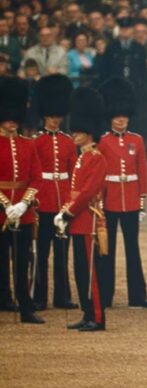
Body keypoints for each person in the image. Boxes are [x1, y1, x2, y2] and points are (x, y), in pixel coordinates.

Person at [97, 77, 147, 309]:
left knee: (133, 249)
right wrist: (99, 203)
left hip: (131, 201)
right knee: (106, 250)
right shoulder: (102, 141)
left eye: (124, 116)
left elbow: (142, 172)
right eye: (117, 116)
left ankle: (137, 296)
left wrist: (141, 204)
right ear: (111, 117)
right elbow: (100, 175)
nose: (121, 120)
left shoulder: (137, 140)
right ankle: (105, 295)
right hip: (109, 201)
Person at [56, 86, 108, 332]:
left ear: (89, 132)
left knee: (90, 273)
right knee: (80, 270)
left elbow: (88, 192)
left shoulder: (96, 158)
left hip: (88, 221)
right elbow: (73, 191)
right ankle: (86, 312)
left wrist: (68, 212)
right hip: (77, 219)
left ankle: (97, 317)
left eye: (78, 131)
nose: (74, 134)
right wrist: (64, 211)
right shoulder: (81, 157)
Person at [30, 74, 77, 310]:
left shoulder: (69, 142)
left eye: (58, 116)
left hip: (63, 202)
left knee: (62, 252)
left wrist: (70, 203)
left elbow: (73, 174)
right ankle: (39, 296)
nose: (55, 121)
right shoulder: (36, 141)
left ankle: (62, 296)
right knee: (42, 253)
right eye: (51, 116)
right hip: (44, 201)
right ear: (44, 115)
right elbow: (35, 175)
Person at [0, 77, 44, 323]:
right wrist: (6, 205)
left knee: (22, 261)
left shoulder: (28, 145)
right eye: (7, 117)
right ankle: (3, 299)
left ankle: (25, 306)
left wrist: (23, 204)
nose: (11, 122)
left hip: (23, 211)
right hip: (1, 212)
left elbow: (36, 179)